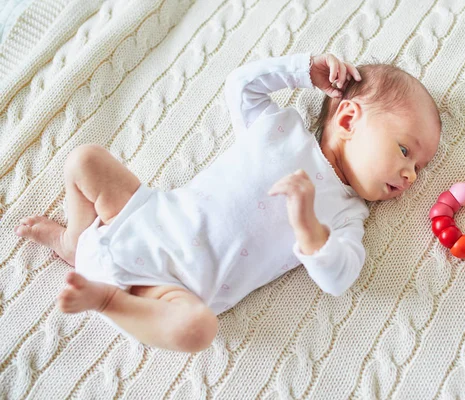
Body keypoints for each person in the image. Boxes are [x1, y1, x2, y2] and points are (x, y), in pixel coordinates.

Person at [13, 52, 441, 353]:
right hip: (145, 217)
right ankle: (75, 240)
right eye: (406, 151)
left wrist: (309, 228)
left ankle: (107, 300)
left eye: (420, 167)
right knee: (85, 160)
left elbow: (340, 277)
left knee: (199, 329)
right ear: (347, 119)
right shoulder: (281, 127)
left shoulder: (347, 215)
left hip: (166, 288)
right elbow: (242, 85)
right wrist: (300, 70)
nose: (411, 175)